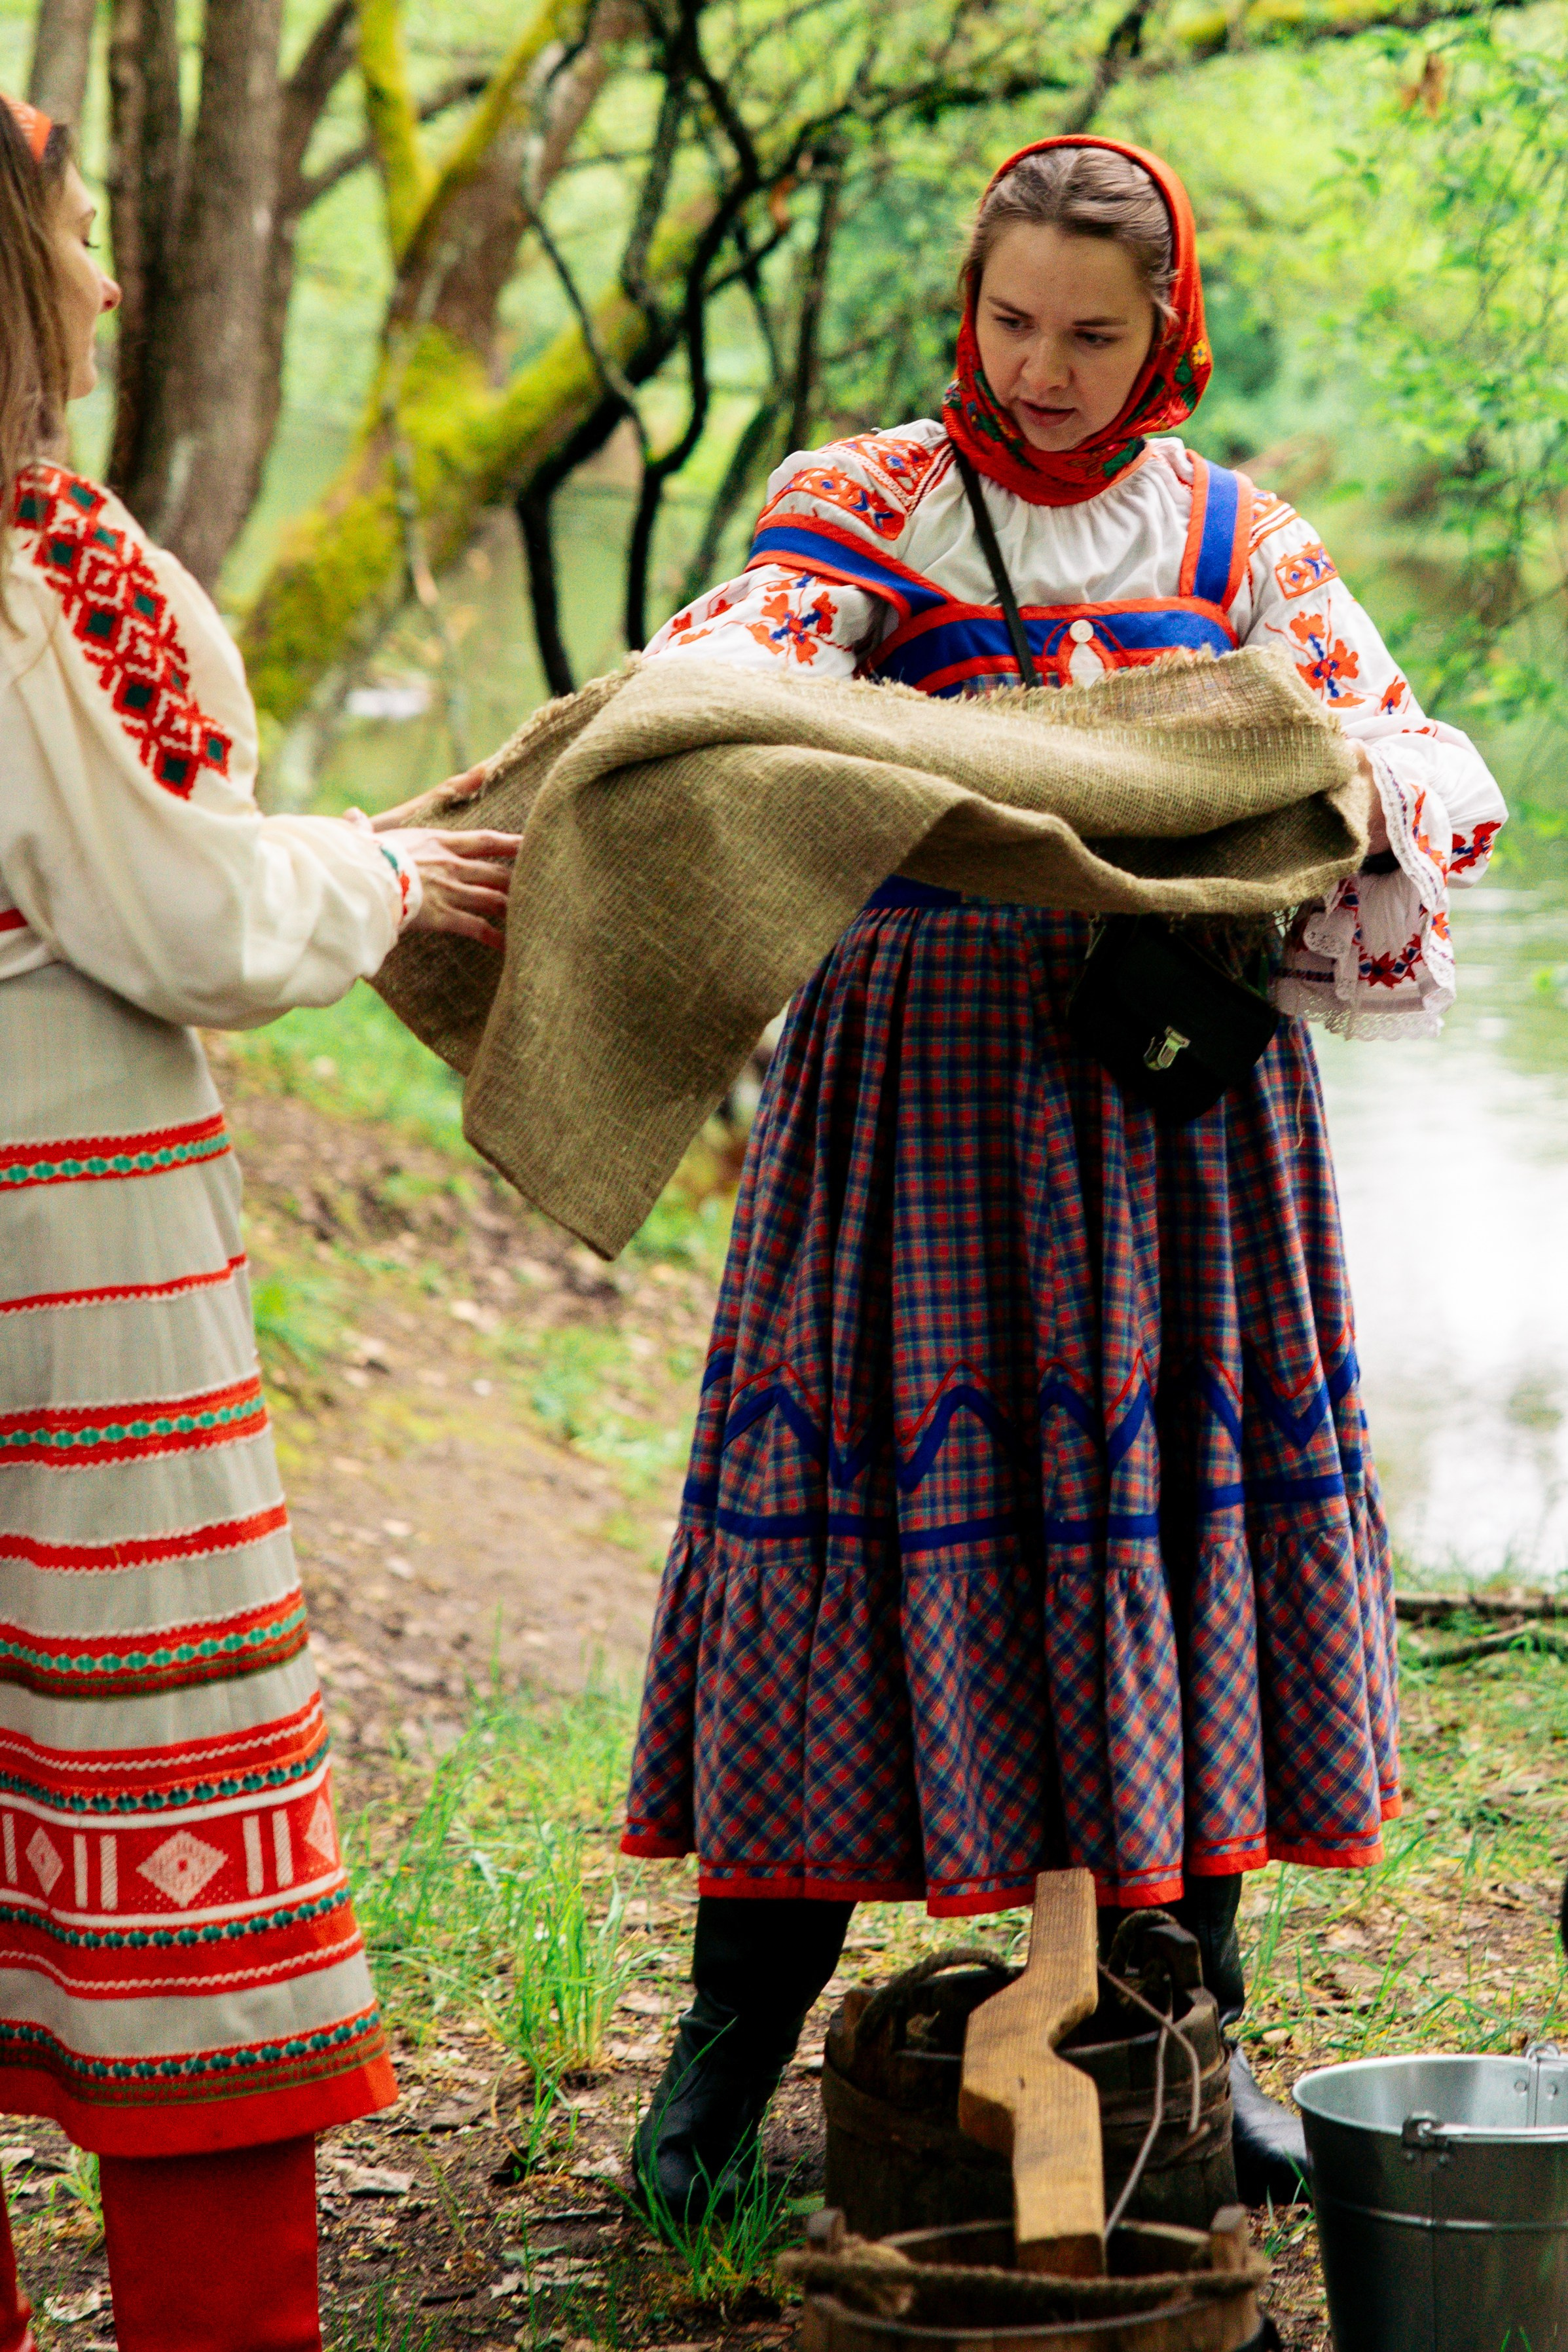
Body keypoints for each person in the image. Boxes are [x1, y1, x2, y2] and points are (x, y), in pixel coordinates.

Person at [621, 135, 1506, 2214]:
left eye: (1091, 335)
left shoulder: (1232, 531)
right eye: (1011, 321)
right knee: (858, 1514)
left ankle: (1189, 2069)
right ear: (971, 303)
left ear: (1160, 329)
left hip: (1168, 1103)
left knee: (1173, 1519)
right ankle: (711, 2095)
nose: (1041, 367)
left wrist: (1289, 779)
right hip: (919, 1095)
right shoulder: (863, 506)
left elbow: (1415, 757)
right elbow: (718, 685)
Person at [0, 94, 517, 2351]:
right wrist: (386, 873)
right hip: (70, 1263)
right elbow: (187, 916)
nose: (115, 279)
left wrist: (304, 838)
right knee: (150, 1781)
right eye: (86, 236)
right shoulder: (49, 559)